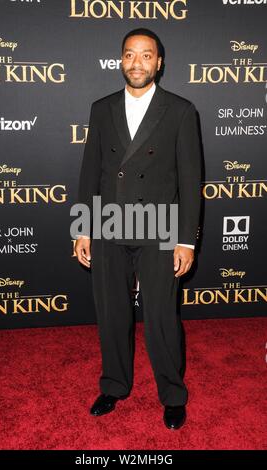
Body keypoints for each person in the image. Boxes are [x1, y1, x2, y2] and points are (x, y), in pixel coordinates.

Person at [75, 28, 202, 430]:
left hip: (160, 224)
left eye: (146, 56)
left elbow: (189, 179)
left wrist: (185, 239)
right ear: (120, 60)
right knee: (112, 312)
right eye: (130, 55)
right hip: (110, 222)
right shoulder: (101, 108)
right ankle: (113, 385)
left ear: (159, 62)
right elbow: (90, 172)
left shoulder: (181, 111)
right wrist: (82, 228)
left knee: (162, 316)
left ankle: (172, 394)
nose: (137, 63)